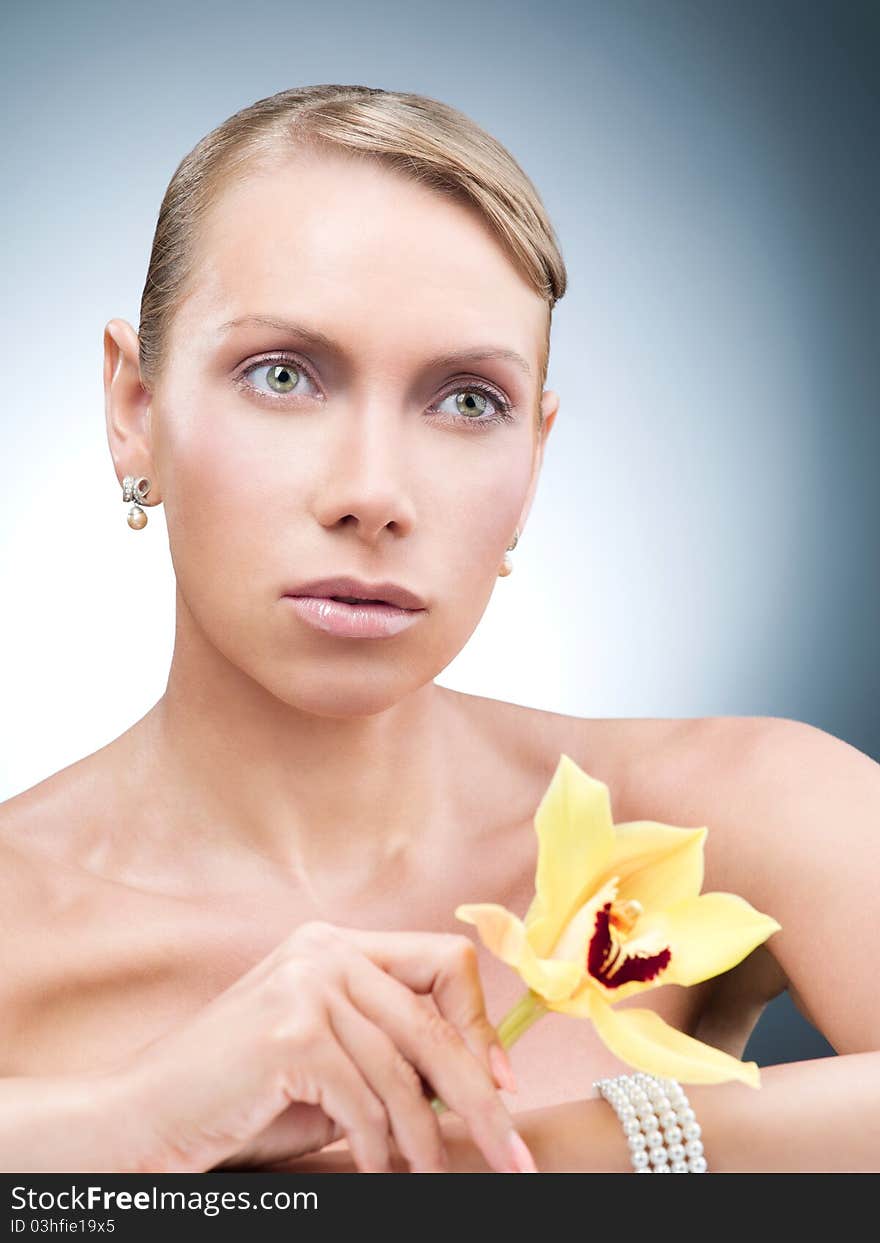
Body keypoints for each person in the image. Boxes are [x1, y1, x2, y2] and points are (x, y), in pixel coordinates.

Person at [1, 84, 877, 1175]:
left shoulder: (718, 812)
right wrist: (130, 1119)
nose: (373, 493)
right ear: (135, 408)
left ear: (534, 462)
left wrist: (500, 1155)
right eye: (283, 375)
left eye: (467, 401)